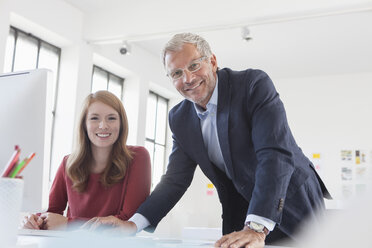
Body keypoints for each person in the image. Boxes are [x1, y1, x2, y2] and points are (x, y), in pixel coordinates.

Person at [87, 33, 331, 248]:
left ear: (212, 61)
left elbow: (274, 155)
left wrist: (257, 227)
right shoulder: (180, 117)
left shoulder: (252, 85)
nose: (188, 78)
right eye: (177, 73)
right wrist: (132, 224)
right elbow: (175, 180)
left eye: (194, 65)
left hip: (292, 199)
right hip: (240, 208)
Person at [22, 90, 151, 230]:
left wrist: (68, 224)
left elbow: (128, 222)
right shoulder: (68, 163)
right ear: (84, 124)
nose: (103, 125)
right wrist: (35, 221)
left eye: (111, 118)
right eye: (94, 118)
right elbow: (52, 214)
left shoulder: (138, 157)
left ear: (121, 124)